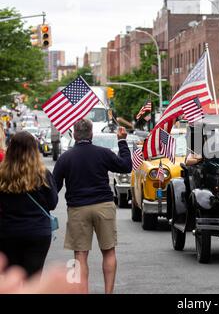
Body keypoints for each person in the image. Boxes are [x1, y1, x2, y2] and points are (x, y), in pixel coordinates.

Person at [53, 119, 131, 294]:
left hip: (77, 209)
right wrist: (122, 141)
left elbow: (54, 187)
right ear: (91, 134)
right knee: (109, 251)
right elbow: (126, 166)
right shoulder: (103, 153)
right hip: (103, 205)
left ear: (73, 134)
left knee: (80, 256)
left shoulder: (65, 158)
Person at [0, 131, 58, 277]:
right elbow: (52, 203)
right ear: (34, 150)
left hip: (8, 231)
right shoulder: (43, 174)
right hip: (37, 232)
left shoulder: (2, 174)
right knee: (33, 279)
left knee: (11, 278)